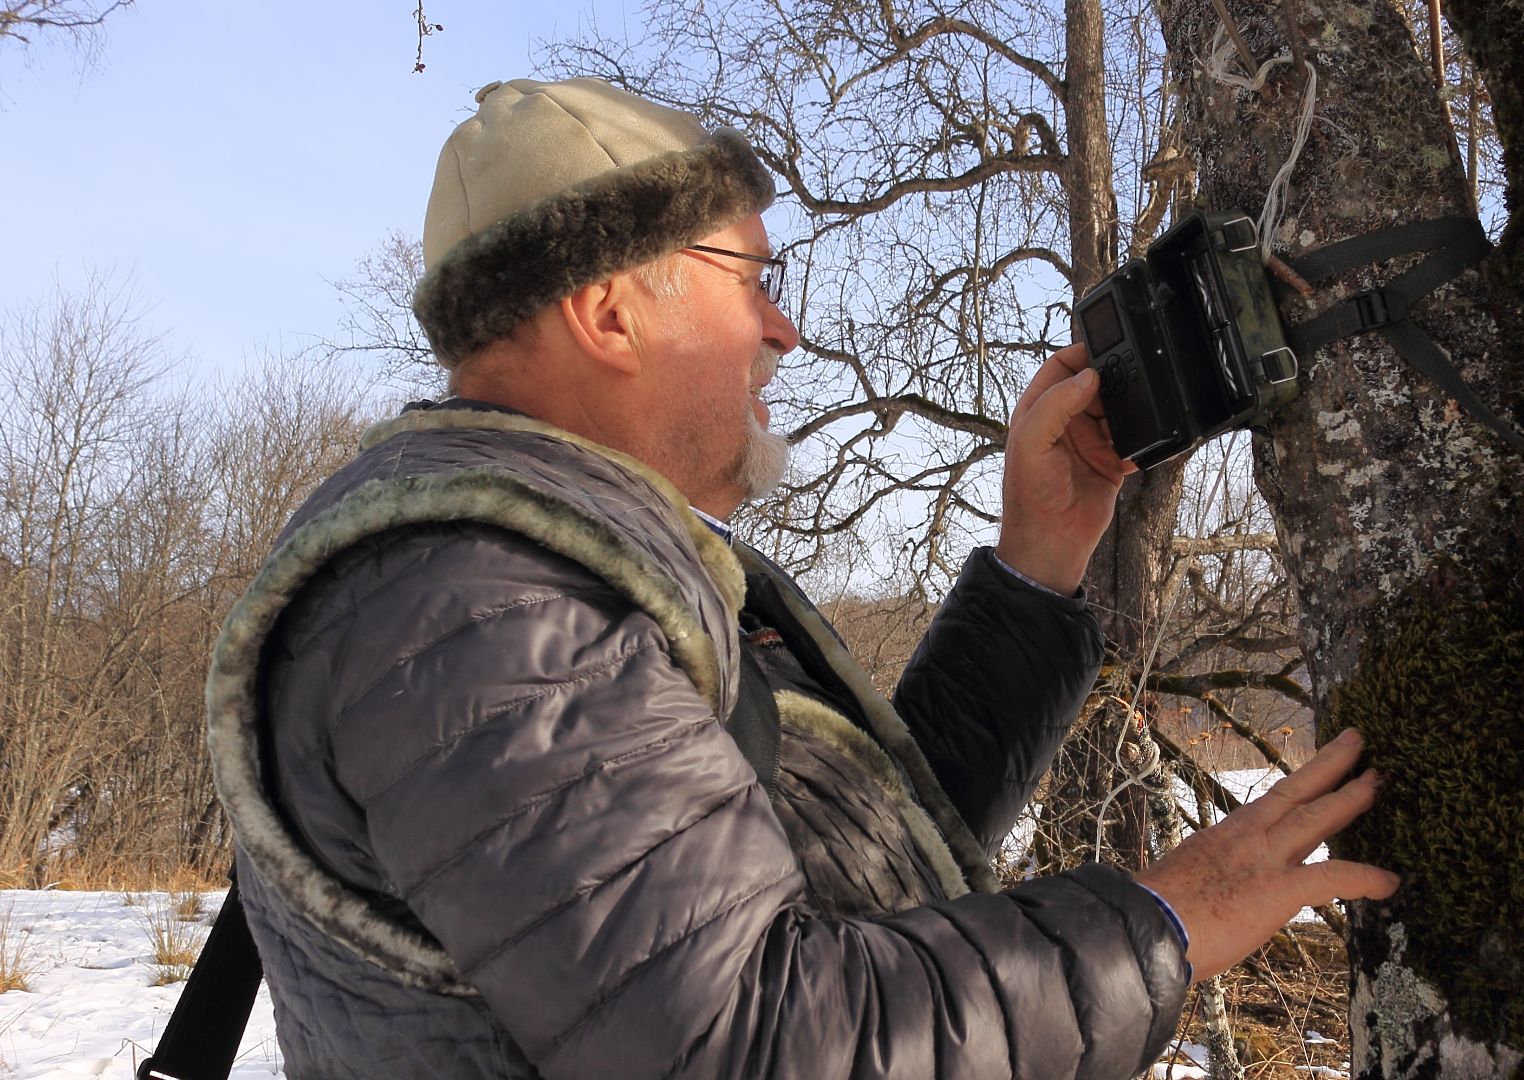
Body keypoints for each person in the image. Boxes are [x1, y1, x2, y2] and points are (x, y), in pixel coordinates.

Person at [205, 77, 1399, 1078]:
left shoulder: (572, 559)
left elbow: (856, 859)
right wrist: (1163, 924)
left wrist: (1039, 560)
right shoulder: (476, 611)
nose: (786, 332)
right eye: (751, 279)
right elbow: (752, 1040)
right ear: (611, 313)